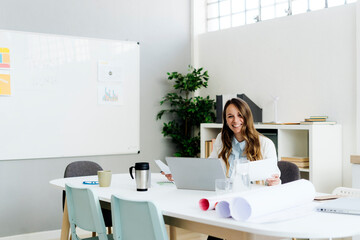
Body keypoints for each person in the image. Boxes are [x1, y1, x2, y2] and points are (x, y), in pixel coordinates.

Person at [163, 97, 280, 185]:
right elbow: (208, 168)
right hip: (224, 194)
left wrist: (274, 182)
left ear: (247, 117)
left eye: (240, 115)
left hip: (252, 197)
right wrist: (180, 175)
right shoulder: (221, 139)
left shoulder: (266, 144)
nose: (235, 120)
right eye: (230, 116)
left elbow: (274, 178)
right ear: (225, 119)